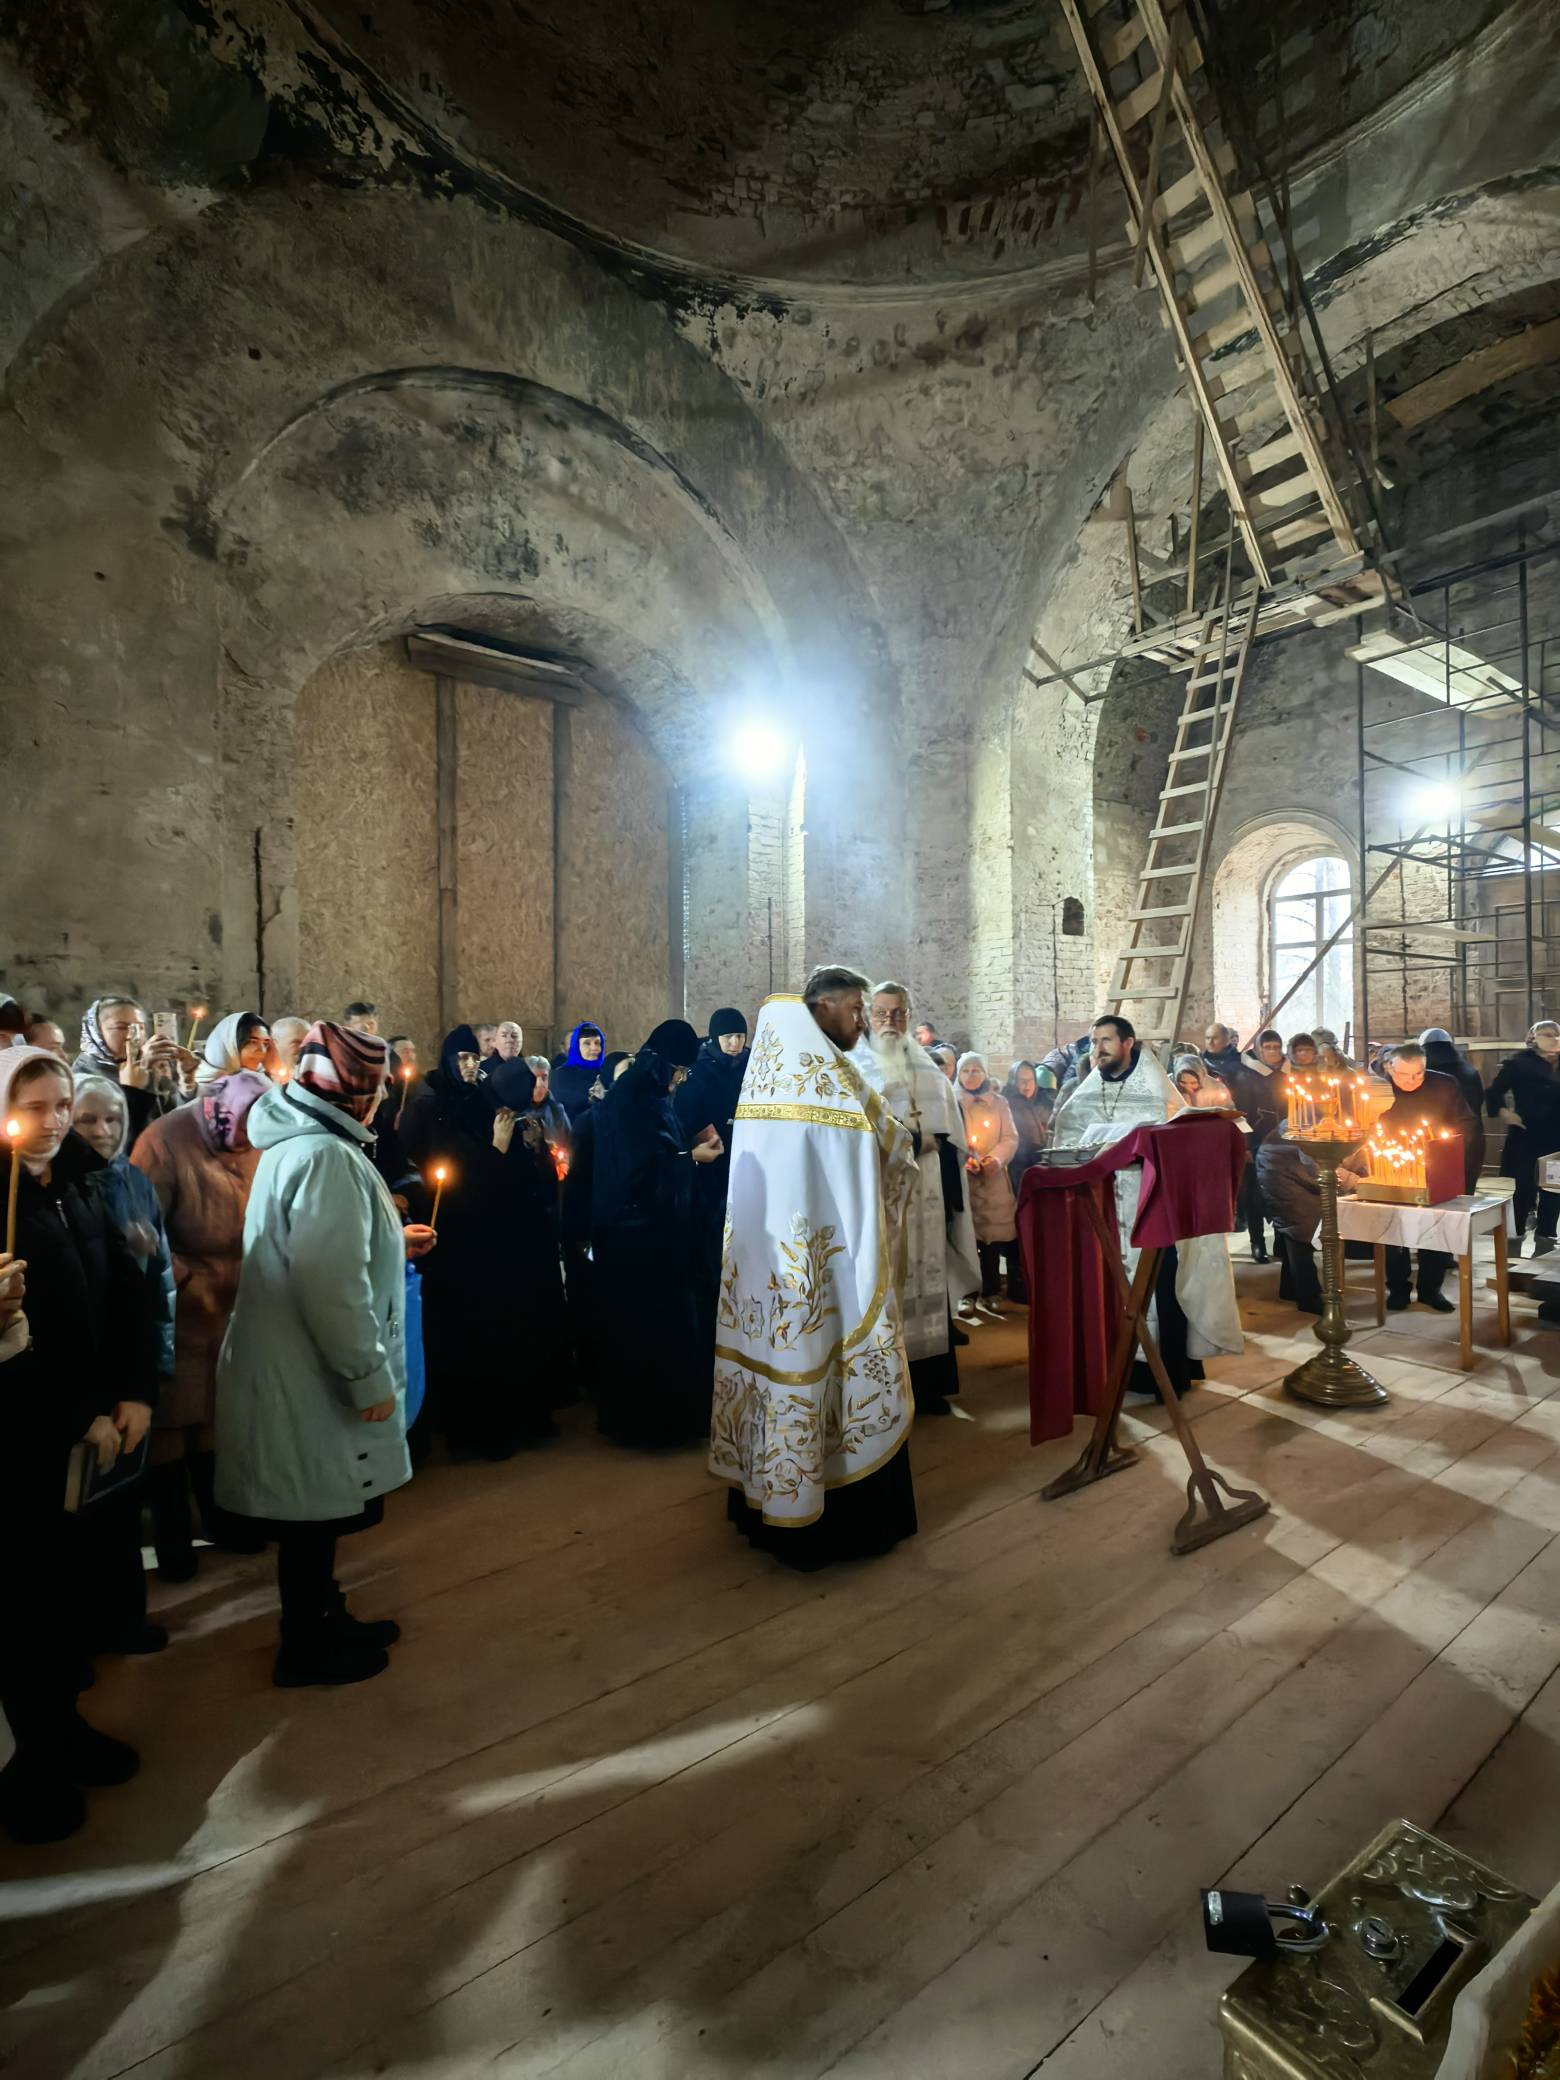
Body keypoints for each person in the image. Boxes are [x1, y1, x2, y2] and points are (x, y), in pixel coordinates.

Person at [216, 1021, 432, 1687]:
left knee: (316, 1512)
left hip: (297, 1361)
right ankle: (306, 1647)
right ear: (355, 1094)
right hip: (309, 1370)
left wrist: (391, 1242)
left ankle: (325, 1618)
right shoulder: (326, 1158)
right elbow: (330, 1289)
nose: (383, 1100)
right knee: (310, 1517)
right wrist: (368, 1379)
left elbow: (324, 1250)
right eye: (377, 1089)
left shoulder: (306, 1143)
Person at [0, 1046, 163, 1843]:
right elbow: (20, 1349)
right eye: (33, 1107)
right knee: (24, 1602)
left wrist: (134, 1391)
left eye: (62, 1104)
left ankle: (64, 1727)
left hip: (97, 1425)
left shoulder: (82, 1182)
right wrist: (77, 1416)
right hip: (24, 1444)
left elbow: (128, 1292)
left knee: (73, 1592)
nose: (54, 1121)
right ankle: (28, 1763)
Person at [712, 969, 918, 1568]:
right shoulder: (827, 1085)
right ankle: (840, 1521)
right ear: (822, 1008)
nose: (860, 1021)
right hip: (821, 1274)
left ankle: (765, 1502)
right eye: (854, 1009)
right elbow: (880, 1145)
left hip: (765, 1278)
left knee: (774, 1363)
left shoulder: (768, 1075)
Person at [1048, 1015, 1242, 1395]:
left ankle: (1166, 1375)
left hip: (1148, 1203)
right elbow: (1066, 1140)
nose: (1098, 1048)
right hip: (1104, 1207)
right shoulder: (1084, 1093)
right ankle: (1120, 1372)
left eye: (1106, 1040)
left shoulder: (1156, 1088)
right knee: (1110, 1289)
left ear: (1127, 1043)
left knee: (1158, 1287)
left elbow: (1174, 1144)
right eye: (1094, 1042)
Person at [130, 1067, 271, 1577]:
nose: (251, 1137)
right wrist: (187, 1280)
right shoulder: (164, 1141)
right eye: (246, 1125)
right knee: (173, 1423)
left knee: (216, 1417)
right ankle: (173, 1541)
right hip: (180, 1307)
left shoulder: (257, 1139)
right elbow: (139, 1231)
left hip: (236, 1304)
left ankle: (223, 1521)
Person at [402, 1026, 564, 1453]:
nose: (471, 1065)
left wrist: (532, 1150)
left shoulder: (485, 1105)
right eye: (463, 1058)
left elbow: (517, 1179)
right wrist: (495, 1150)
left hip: (500, 1241)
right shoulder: (431, 1108)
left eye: (475, 1057)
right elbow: (454, 1175)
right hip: (461, 1239)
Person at [592, 1019, 720, 1446]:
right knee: (643, 1332)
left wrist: (689, 1150)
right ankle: (647, 1427)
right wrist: (691, 1159)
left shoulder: (652, 1095)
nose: (681, 1079)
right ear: (663, 1063)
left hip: (659, 1235)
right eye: (680, 1070)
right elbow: (635, 1172)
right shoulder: (628, 1098)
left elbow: (663, 1151)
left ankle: (674, 1421)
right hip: (633, 1239)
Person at [857, 983, 979, 1413]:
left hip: (926, 1193)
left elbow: (952, 1135)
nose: (890, 1022)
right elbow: (857, 1130)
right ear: (869, 1016)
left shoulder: (928, 1069)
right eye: (881, 1013)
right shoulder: (857, 1067)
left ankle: (928, 1388)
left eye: (898, 1013)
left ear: (909, 1016)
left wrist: (934, 1145)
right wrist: (914, 1139)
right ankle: (884, 1392)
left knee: (928, 1279)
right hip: (882, 1192)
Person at [1343, 1042, 1475, 1310]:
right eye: (1404, 1075)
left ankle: (1430, 1289)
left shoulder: (1445, 1084)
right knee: (1394, 1230)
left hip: (1435, 1166)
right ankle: (1397, 1288)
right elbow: (1361, 1125)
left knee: (1435, 1228)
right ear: (1390, 1068)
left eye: (1418, 1074)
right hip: (1390, 1166)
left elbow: (1465, 1122)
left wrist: (1450, 1151)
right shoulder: (1378, 1089)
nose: (1412, 1081)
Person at [673, 1009, 751, 1370]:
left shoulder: (752, 1067)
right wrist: (709, 1137)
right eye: (728, 1037)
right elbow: (688, 1113)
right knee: (711, 1247)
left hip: (747, 1166)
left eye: (740, 1036)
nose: (734, 1043)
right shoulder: (700, 1070)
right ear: (715, 1038)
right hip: (712, 1169)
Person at [1485, 1021, 1560, 1255]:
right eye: (1547, 1035)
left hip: (1556, 1139)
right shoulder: (1518, 1063)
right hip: (1527, 1136)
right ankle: (1514, 1243)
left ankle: (1545, 1243)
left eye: (1556, 1035)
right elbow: (1494, 1092)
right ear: (1533, 1038)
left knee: (1553, 1191)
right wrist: (1504, 1113)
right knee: (1524, 1191)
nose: (1553, 1039)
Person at [74, 996, 193, 1136]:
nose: (133, 1036)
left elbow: (174, 1120)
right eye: (121, 1027)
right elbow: (112, 1137)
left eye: (140, 1028)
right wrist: (133, 1089)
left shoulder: (146, 1066)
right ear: (96, 1032)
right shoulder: (83, 1081)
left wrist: (186, 1081)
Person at [955, 1052, 1021, 1304]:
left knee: (991, 1237)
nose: (971, 1075)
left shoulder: (1000, 1103)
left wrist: (995, 1159)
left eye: (976, 1070)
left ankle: (992, 1290)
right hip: (964, 1179)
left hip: (993, 1180)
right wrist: (964, 1158)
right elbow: (950, 1136)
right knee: (966, 1236)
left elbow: (1010, 1138)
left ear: (984, 1073)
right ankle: (968, 1293)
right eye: (965, 1071)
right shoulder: (952, 1102)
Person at [1255, 1136, 1325, 1314]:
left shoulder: (1297, 1126)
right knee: (1299, 1233)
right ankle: (1308, 1297)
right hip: (1285, 1180)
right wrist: (1347, 1180)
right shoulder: (1304, 1126)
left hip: (1278, 1174)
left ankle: (1290, 1288)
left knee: (1292, 1233)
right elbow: (1312, 1167)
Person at [1420, 1028, 1485, 1193]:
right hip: (1471, 1139)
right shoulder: (1469, 1071)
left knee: (1436, 1194)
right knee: (1466, 1191)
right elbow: (1479, 1101)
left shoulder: (1425, 1074)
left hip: (1434, 1141)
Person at [1004, 1062, 1052, 1195]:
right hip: (1017, 1169)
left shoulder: (1042, 1103)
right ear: (1014, 1082)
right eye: (1022, 1081)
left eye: (1030, 1080)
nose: (1027, 1085)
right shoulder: (1006, 1105)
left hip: (1038, 1166)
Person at [194, 1011, 272, 1086]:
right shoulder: (194, 1084)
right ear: (228, 1044)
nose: (262, 1051)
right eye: (252, 1042)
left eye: (265, 1043)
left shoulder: (264, 1081)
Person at [551, 1021, 608, 1123]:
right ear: (576, 1047)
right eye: (587, 1043)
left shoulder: (606, 1073)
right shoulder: (560, 1076)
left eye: (597, 1043)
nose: (594, 1048)